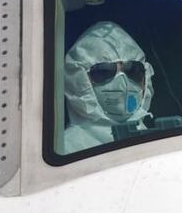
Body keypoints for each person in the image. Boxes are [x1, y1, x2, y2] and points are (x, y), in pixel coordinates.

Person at [62, 21, 155, 153]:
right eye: (104, 72)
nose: (123, 82)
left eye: (132, 70)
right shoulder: (66, 150)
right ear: (78, 79)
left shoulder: (161, 142)